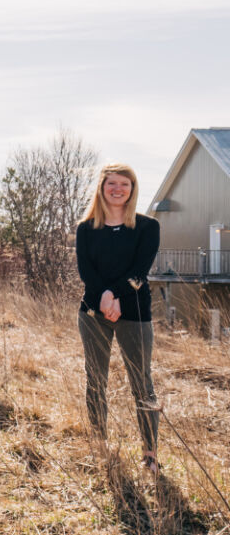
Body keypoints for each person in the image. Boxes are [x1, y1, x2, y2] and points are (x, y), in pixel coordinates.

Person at [75, 163, 161, 471]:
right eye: (112, 183)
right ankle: (100, 446)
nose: (118, 189)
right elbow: (86, 272)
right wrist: (104, 298)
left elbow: (140, 270)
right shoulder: (86, 229)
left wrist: (114, 295)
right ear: (102, 187)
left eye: (125, 184)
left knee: (142, 382)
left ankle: (150, 455)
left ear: (132, 189)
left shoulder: (148, 227)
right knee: (96, 380)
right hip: (92, 313)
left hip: (135, 313)